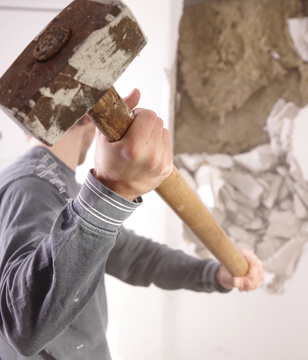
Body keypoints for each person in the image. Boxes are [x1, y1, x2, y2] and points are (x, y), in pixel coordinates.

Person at [0, 89, 264, 359]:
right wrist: (111, 189)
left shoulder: (59, 186)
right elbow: (23, 322)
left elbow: (137, 257)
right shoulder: (31, 185)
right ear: (85, 115)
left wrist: (213, 274)